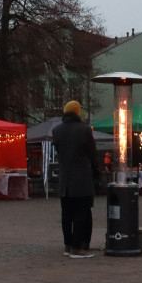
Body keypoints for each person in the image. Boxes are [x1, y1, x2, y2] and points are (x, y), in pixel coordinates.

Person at [52, 100, 99, 258]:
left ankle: (68, 244)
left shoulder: (56, 130)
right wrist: (96, 172)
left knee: (66, 214)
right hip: (82, 179)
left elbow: (60, 151)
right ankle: (79, 247)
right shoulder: (85, 130)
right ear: (78, 112)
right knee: (82, 213)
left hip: (65, 180)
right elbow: (92, 154)